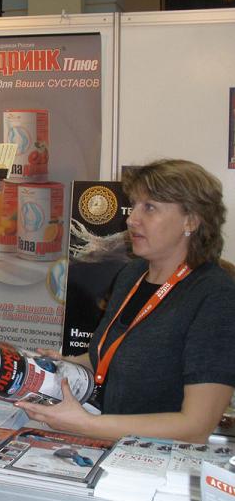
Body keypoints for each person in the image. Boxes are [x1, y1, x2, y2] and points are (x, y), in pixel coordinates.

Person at [16, 159, 235, 443]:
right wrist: (66, 364)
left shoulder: (216, 295)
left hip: (157, 459)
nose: (132, 219)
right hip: (107, 445)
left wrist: (86, 424)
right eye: (134, 205)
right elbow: (112, 355)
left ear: (191, 221)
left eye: (150, 208)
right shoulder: (133, 274)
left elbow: (195, 426)